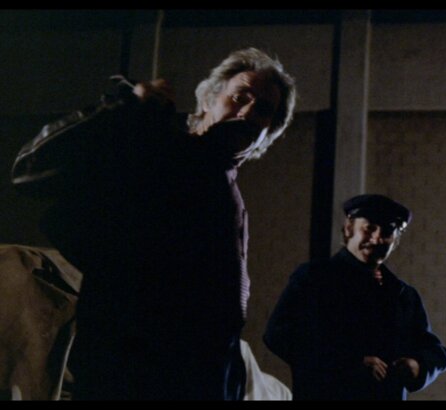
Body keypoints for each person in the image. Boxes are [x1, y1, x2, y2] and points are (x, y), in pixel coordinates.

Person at [11, 48, 296, 399]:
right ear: (209, 99)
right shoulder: (157, 150)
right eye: (240, 97)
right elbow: (30, 170)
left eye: (263, 109)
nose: (248, 112)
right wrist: (124, 105)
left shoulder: (227, 192)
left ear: (269, 132)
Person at [264, 194, 446, 400]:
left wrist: (418, 366)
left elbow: (435, 351)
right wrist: (350, 363)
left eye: (387, 231)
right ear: (348, 228)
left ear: (395, 240)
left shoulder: (403, 294)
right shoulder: (315, 278)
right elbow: (279, 335)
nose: (376, 238)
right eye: (369, 228)